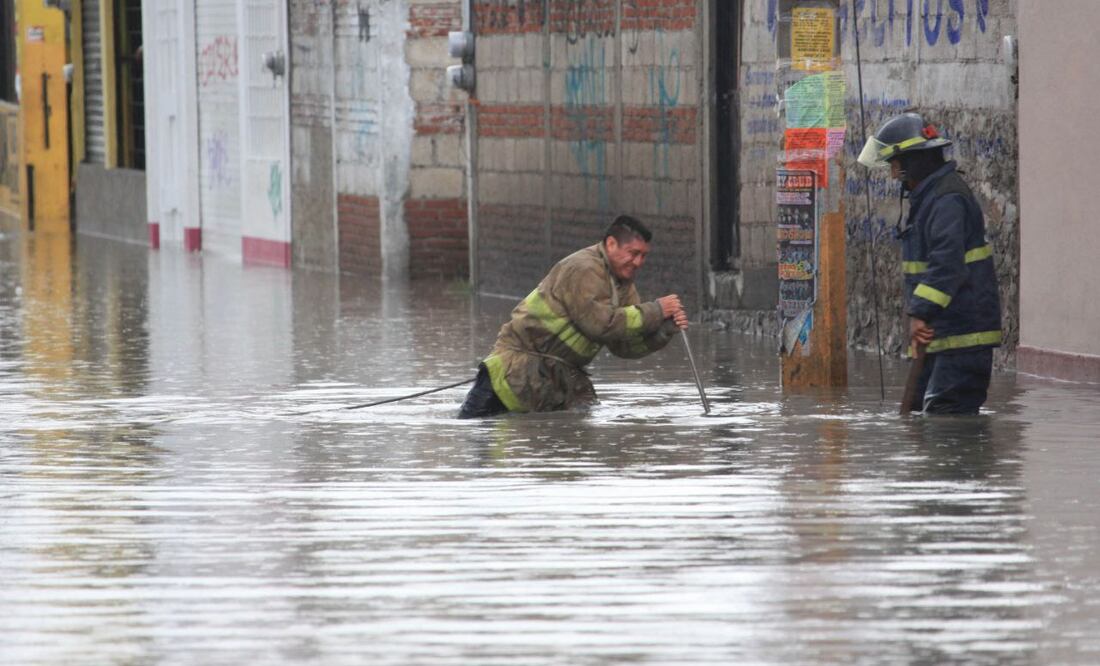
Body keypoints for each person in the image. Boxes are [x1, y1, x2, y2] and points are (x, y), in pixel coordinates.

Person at [459, 215, 689, 418]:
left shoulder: (624, 286)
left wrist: (663, 331)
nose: (638, 262)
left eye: (644, 256)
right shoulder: (584, 268)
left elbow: (623, 346)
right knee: (482, 438)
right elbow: (601, 325)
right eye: (633, 253)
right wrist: (656, 310)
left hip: (557, 382)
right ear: (611, 244)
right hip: (511, 376)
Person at [858, 112, 1002, 414]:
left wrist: (920, 312)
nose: (893, 174)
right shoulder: (930, 198)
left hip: (962, 337)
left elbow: (947, 264)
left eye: (895, 165)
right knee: (921, 415)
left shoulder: (947, 200)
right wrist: (922, 317)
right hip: (940, 335)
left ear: (912, 163)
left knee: (946, 418)